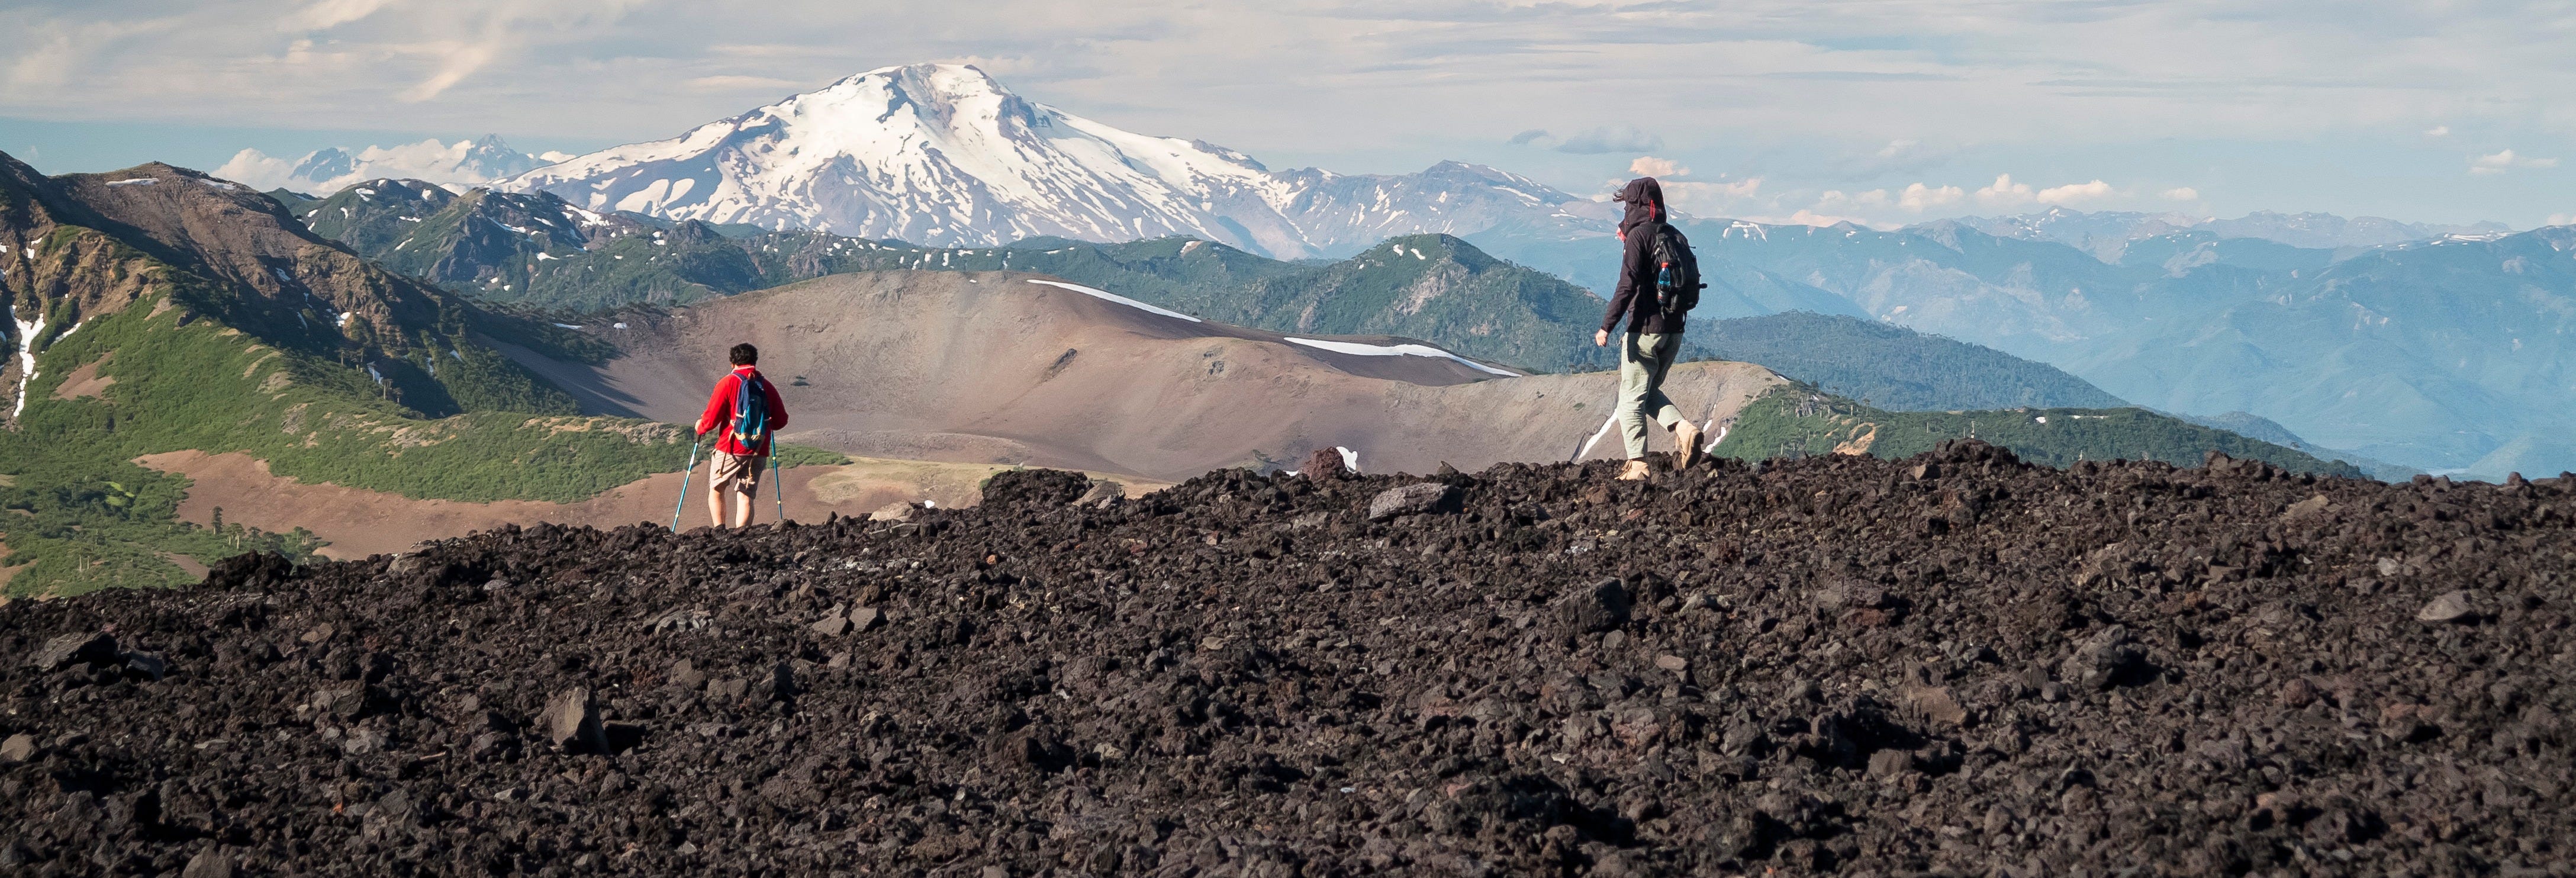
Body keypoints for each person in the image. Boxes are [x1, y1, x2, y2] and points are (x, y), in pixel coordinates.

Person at [1593, 176, 1702, 481]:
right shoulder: (1676, 236)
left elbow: (1627, 285)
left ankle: (1638, 466)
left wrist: (1606, 327)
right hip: (1675, 330)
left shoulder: (1639, 237)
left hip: (1644, 330)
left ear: (1634, 205)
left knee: (1630, 398)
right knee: (1648, 389)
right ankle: (1684, 430)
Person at [694, 343, 789, 528]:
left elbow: (711, 419)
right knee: (746, 496)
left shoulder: (728, 383)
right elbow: (781, 421)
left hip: (730, 448)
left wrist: (700, 428)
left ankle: (720, 532)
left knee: (717, 488)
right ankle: (741, 536)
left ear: (732, 363)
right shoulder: (766, 386)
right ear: (755, 361)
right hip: (758, 448)